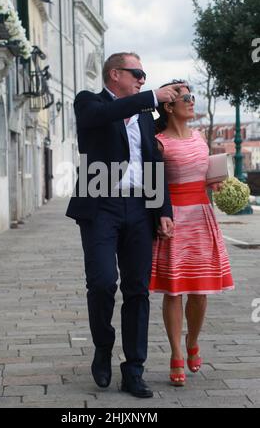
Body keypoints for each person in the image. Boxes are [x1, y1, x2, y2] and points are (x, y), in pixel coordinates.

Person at [66, 52, 183, 398]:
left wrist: (163, 210)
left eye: (146, 76)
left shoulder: (146, 119)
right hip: (100, 205)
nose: (143, 79)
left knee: (137, 290)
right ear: (115, 74)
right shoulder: (89, 102)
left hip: (139, 209)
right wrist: (149, 99)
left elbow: (153, 163)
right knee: (102, 283)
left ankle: (134, 369)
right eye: (138, 73)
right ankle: (103, 347)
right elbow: (104, 115)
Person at [150, 80, 234, 387]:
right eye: (186, 97)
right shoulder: (158, 141)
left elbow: (206, 176)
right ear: (169, 105)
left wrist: (218, 184)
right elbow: (154, 185)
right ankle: (175, 354)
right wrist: (160, 216)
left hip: (202, 217)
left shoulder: (200, 138)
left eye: (192, 96)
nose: (192, 101)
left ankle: (193, 341)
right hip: (172, 221)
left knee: (199, 292)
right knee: (174, 291)